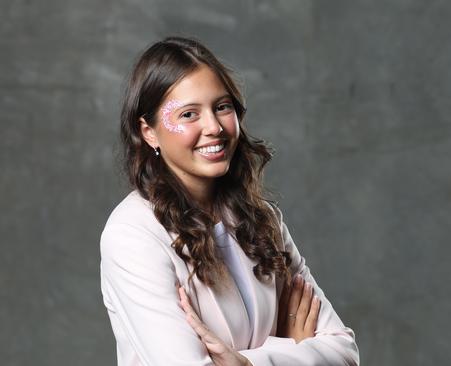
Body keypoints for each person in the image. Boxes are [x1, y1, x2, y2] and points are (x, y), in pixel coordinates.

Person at [99, 36, 360, 366]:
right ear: (149, 131)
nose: (214, 127)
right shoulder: (133, 235)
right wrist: (293, 350)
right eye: (189, 114)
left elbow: (345, 353)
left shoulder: (263, 219)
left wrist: (249, 363)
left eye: (222, 107)